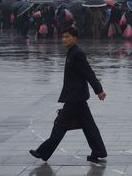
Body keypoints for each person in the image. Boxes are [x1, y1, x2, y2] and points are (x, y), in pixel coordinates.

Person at [30, 27, 107, 163]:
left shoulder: (77, 53)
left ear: (75, 38)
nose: (64, 39)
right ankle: (99, 151)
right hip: (77, 97)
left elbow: (88, 73)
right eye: (63, 37)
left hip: (75, 98)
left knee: (60, 126)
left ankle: (42, 152)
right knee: (89, 127)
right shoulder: (71, 52)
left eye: (67, 37)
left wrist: (99, 90)